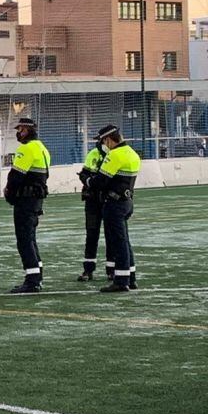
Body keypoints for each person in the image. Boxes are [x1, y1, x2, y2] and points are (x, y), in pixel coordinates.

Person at [91, 125, 141, 293]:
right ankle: (131, 277)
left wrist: (88, 181)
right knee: (125, 241)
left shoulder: (115, 155)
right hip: (127, 202)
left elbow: (100, 182)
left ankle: (121, 280)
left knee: (118, 243)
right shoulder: (132, 153)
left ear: (108, 139)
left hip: (114, 204)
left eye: (103, 141)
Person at [3, 117, 51, 294]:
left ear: (26, 130)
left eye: (20, 129)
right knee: (30, 238)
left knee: (24, 239)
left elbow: (16, 176)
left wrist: (9, 192)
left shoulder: (26, 148)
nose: (18, 133)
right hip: (36, 199)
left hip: (26, 199)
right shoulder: (42, 148)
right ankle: (37, 276)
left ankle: (32, 280)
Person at [77, 129, 110, 282]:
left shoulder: (115, 154)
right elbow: (84, 173)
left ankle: (112, 270)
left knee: (112, 236)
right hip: (92, 201)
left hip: (109, 200)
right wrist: (89, 181)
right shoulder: (93, 154)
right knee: (91, 235)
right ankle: (88, 270)